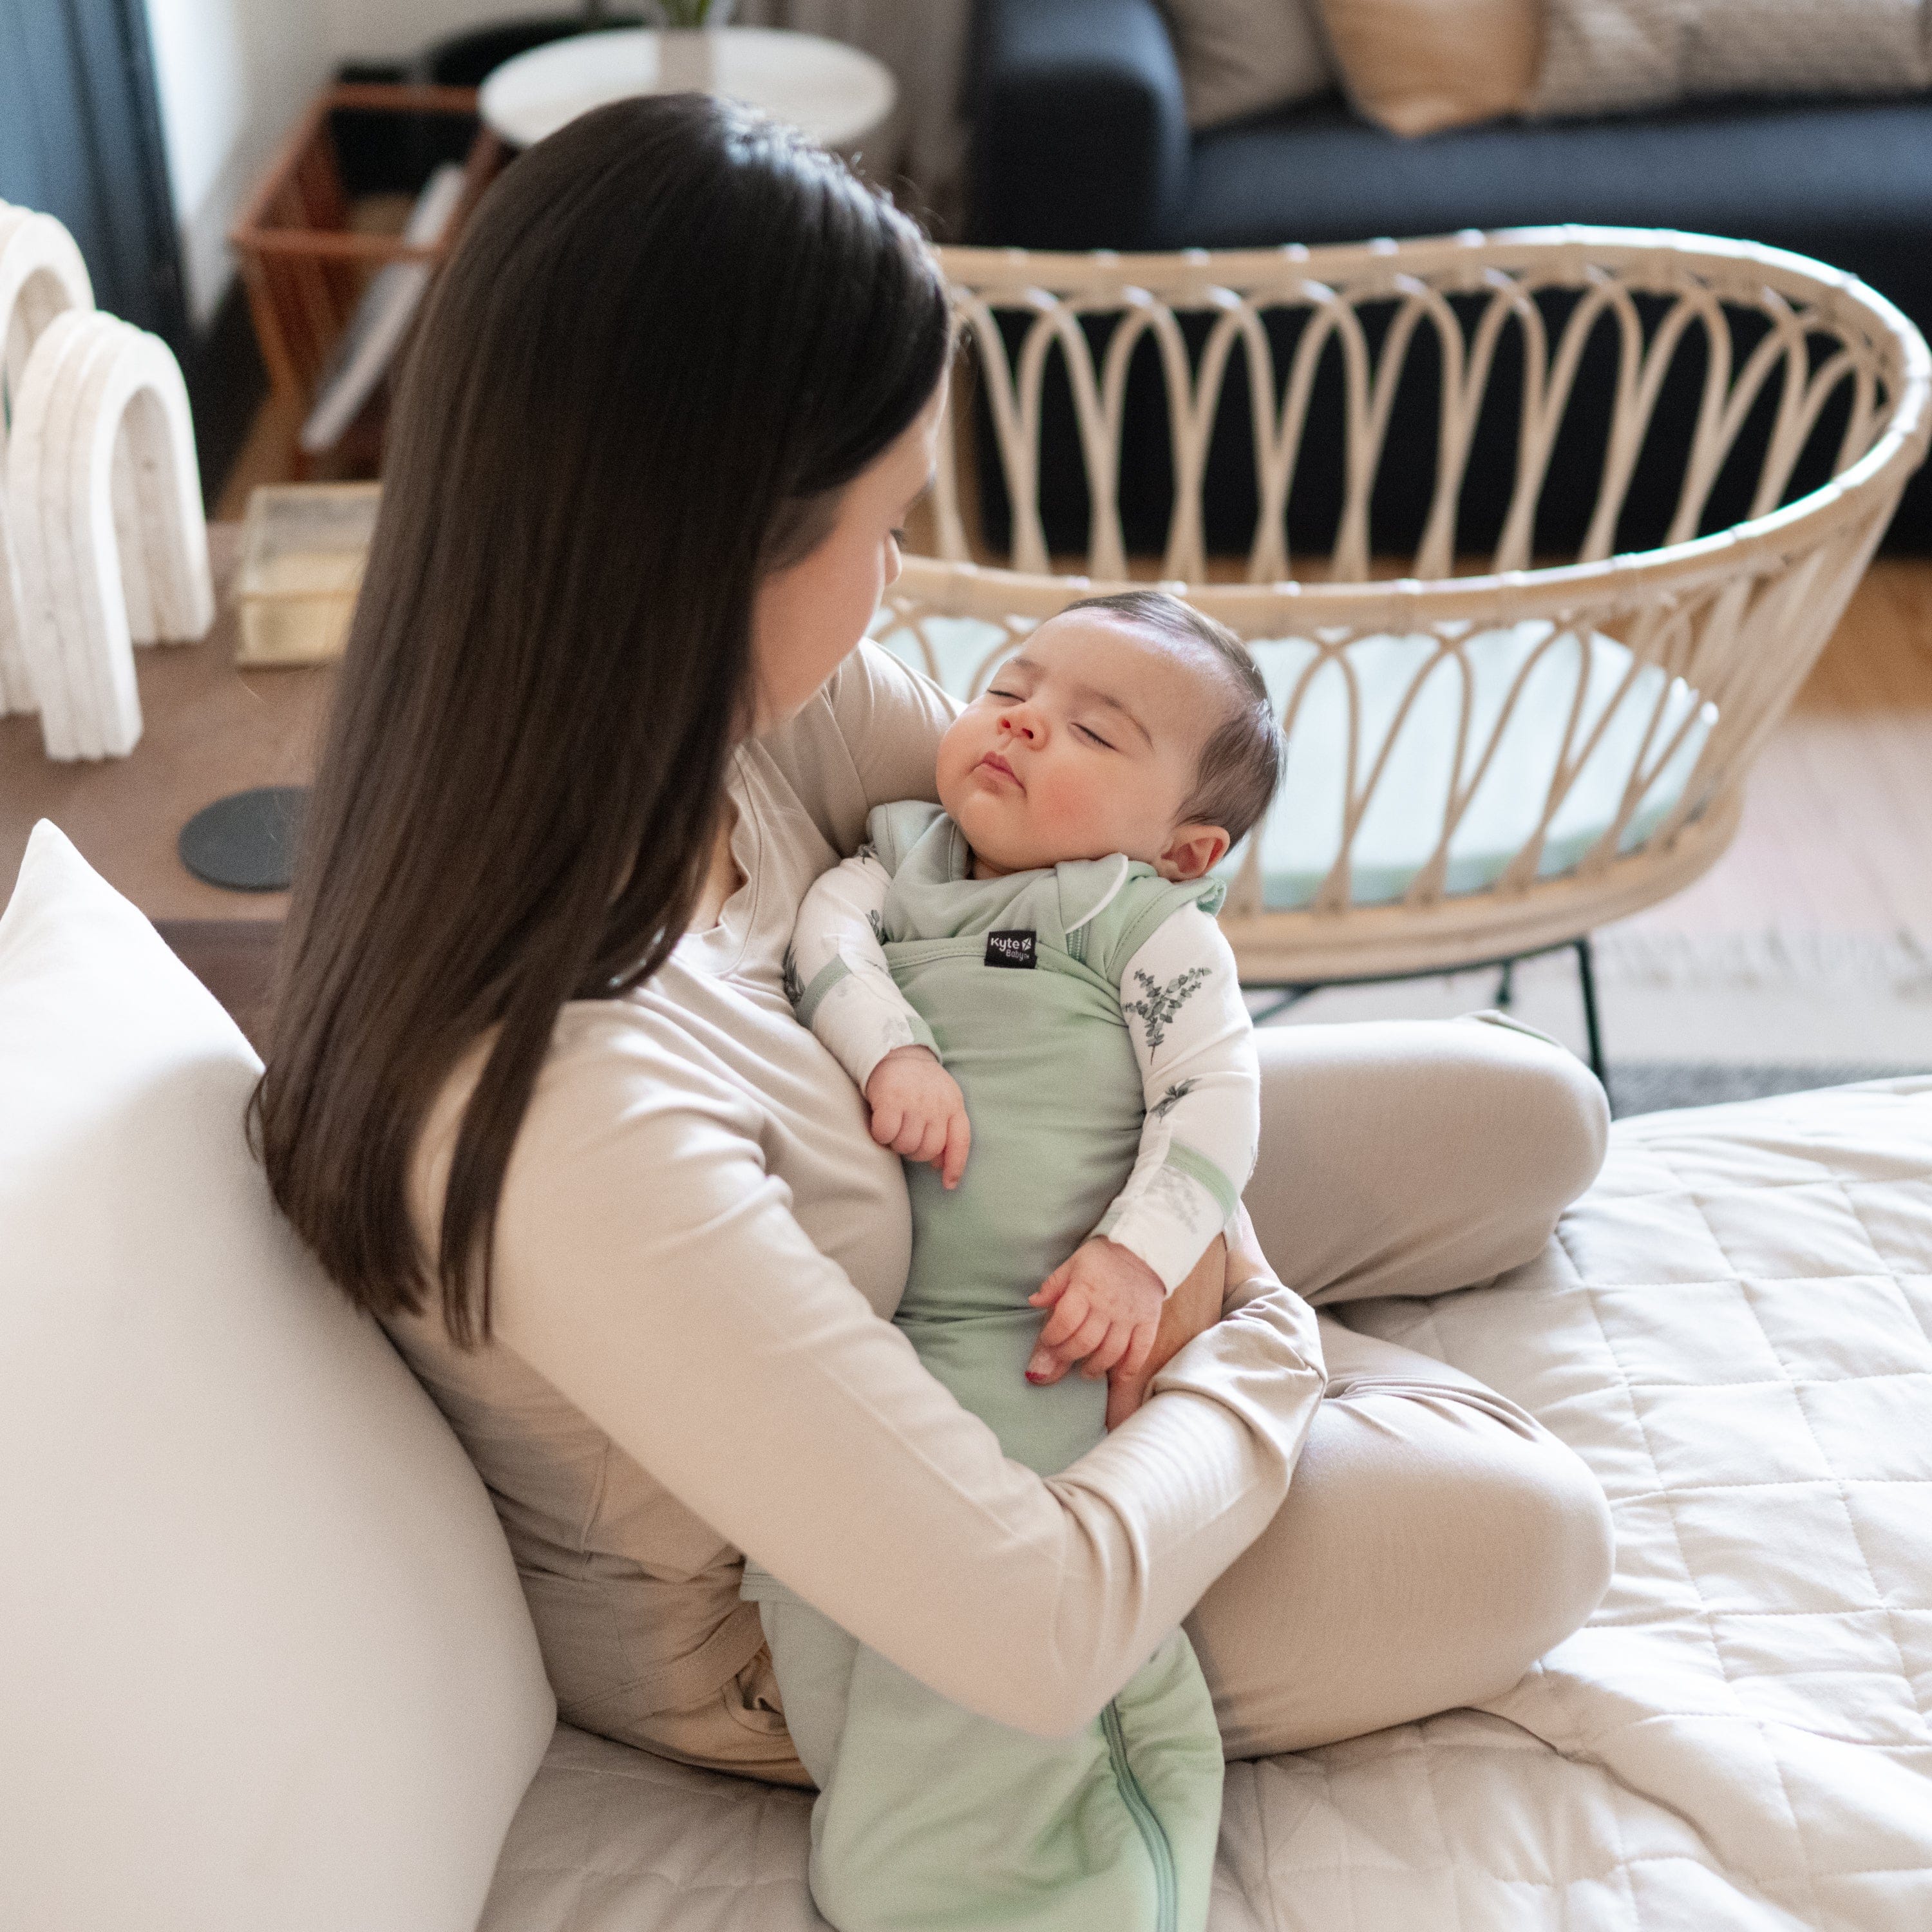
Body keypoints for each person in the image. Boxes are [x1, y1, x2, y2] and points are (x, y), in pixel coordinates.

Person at [252, 92, 1614, 1829]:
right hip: (808, 1614)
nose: (900, 592)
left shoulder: (700, 719)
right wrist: (1256, 1332)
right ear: (722, 544)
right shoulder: (573, 1111)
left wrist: (1174, 1219)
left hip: (984, 1229)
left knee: (1531, 1111)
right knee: (1530, 1525)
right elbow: (1033, 1630)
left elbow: (1085, 855)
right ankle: (1296, 1390)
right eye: (888, 526)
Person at [757, 589, 1284, 1930]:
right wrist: (895, 1050)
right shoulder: (892, 858)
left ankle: (1025, 1881)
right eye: (1011, 689)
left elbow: (1213, 1100)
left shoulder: (1145, 924)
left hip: (1051, 1324)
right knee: (827, 1598)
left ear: (1184, 846)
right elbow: (825, 939)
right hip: (894, 1333)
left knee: (1004, 1618)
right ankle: (881, 1801)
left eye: (1091, 732)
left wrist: (1137, 1259)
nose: (1022, 726)